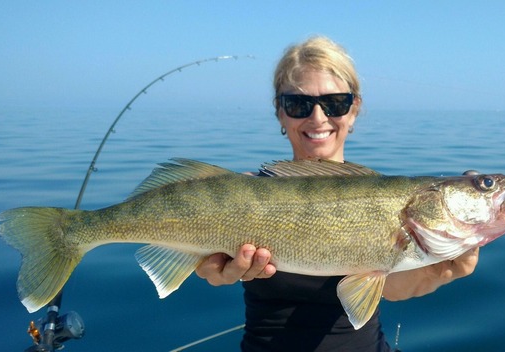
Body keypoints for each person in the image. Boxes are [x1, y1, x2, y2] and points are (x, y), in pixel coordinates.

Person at [195, 36, 480, 351]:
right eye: (298, 104)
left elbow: (392, 287)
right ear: (280, 112)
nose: (318, 118)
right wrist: (211, 268)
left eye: (335, 103)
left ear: (354, 109)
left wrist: (439, 270)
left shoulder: (384, 195)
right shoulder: (241, 191)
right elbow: (202, 263)